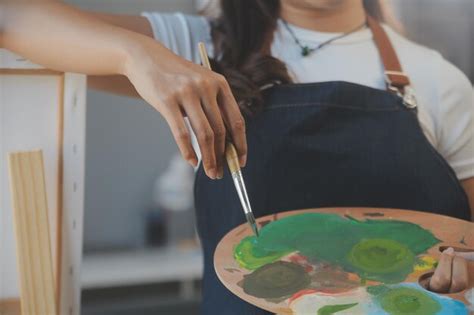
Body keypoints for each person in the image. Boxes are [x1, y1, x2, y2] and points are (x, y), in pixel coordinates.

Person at [1, 1, 473, 314]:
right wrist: (136, 54)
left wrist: (462, 274)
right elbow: (10, 17)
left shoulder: (437, 79)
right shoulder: (203, 48)